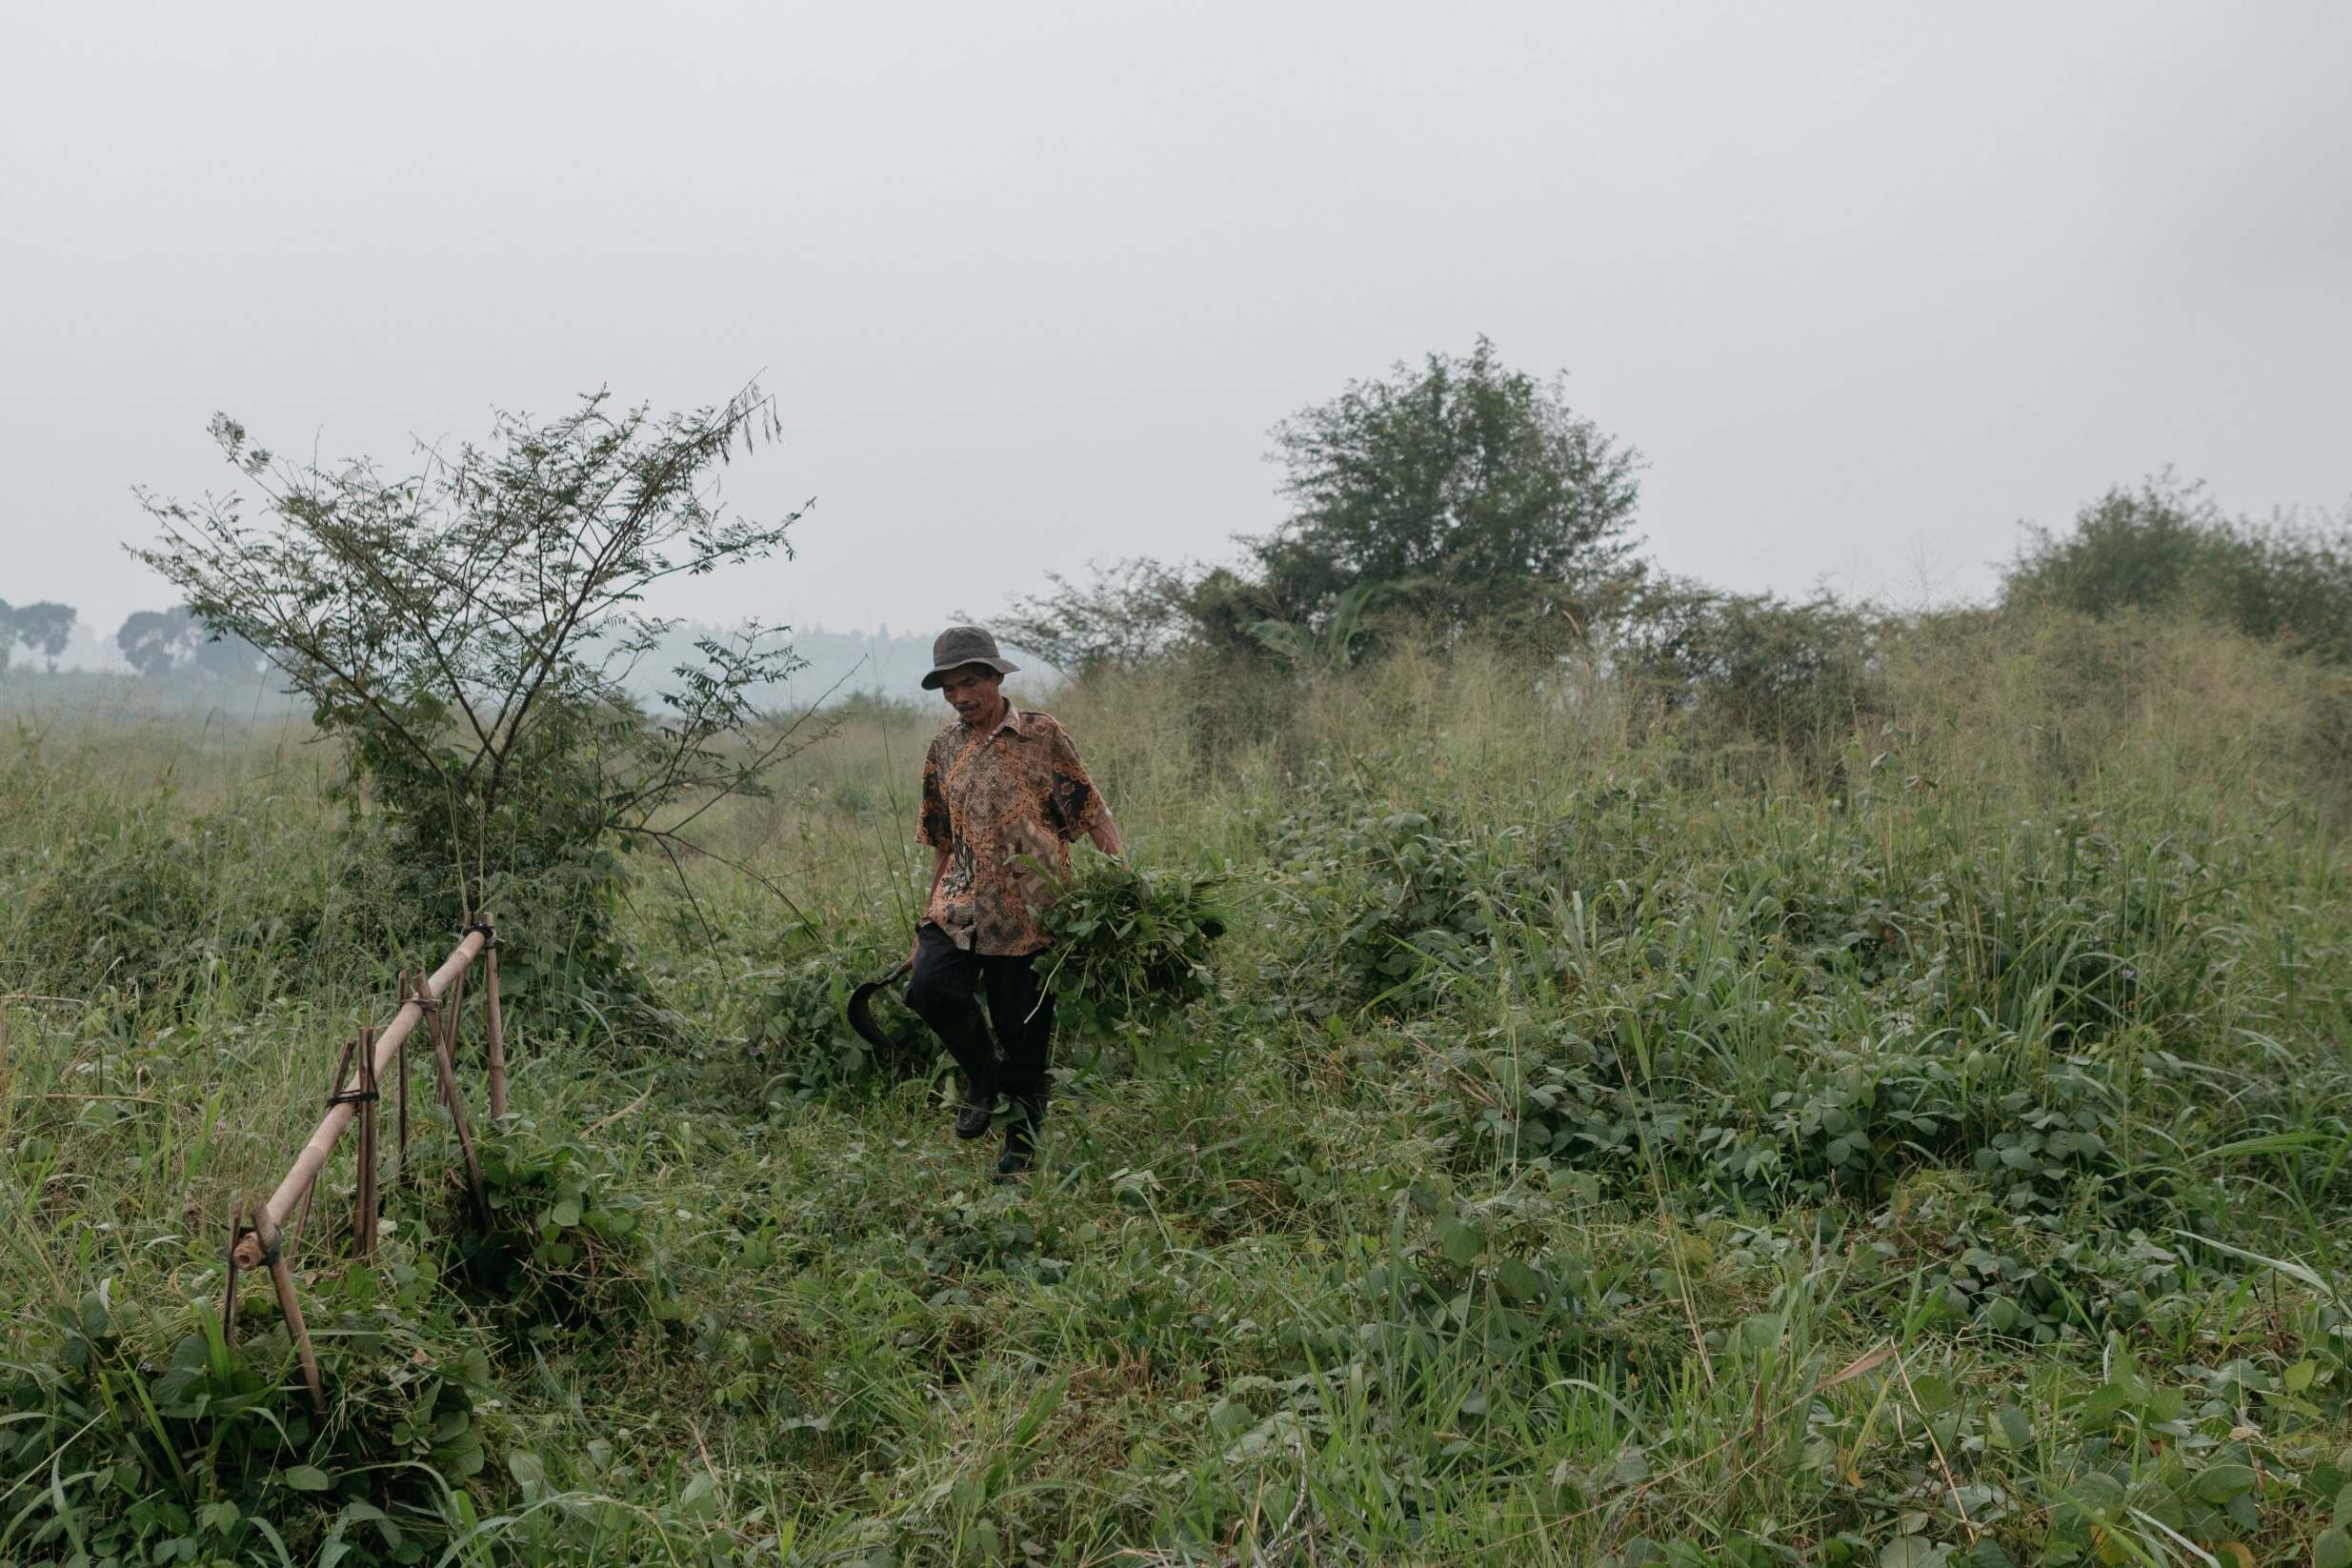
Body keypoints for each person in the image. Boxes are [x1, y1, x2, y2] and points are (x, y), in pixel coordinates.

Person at [905, 625, 1122, 1175]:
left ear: (997, 677)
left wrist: (1124, 875)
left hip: (1033, 904)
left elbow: (1088, 808)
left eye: (970, 682)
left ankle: (1018, 1157)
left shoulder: (1042, 735)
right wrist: (922, 921)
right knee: (928, 989)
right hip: (959, 900)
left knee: (1024, 1036)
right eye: (950, 688)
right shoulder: (944, 748)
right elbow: (941, 840)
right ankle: (982, 1078)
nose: (960, 697)